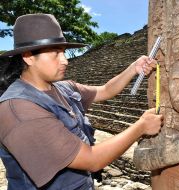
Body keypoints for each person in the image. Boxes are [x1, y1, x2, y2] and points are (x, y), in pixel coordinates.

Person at [0, 13, 163, 190]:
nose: (65, 60)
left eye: (63, 51)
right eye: (55, 53)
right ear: (28, 56)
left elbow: (105, 90)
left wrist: (133, 68)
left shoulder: (63, 88)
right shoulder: (19, 109)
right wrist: (141, 127)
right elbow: (92, 160)